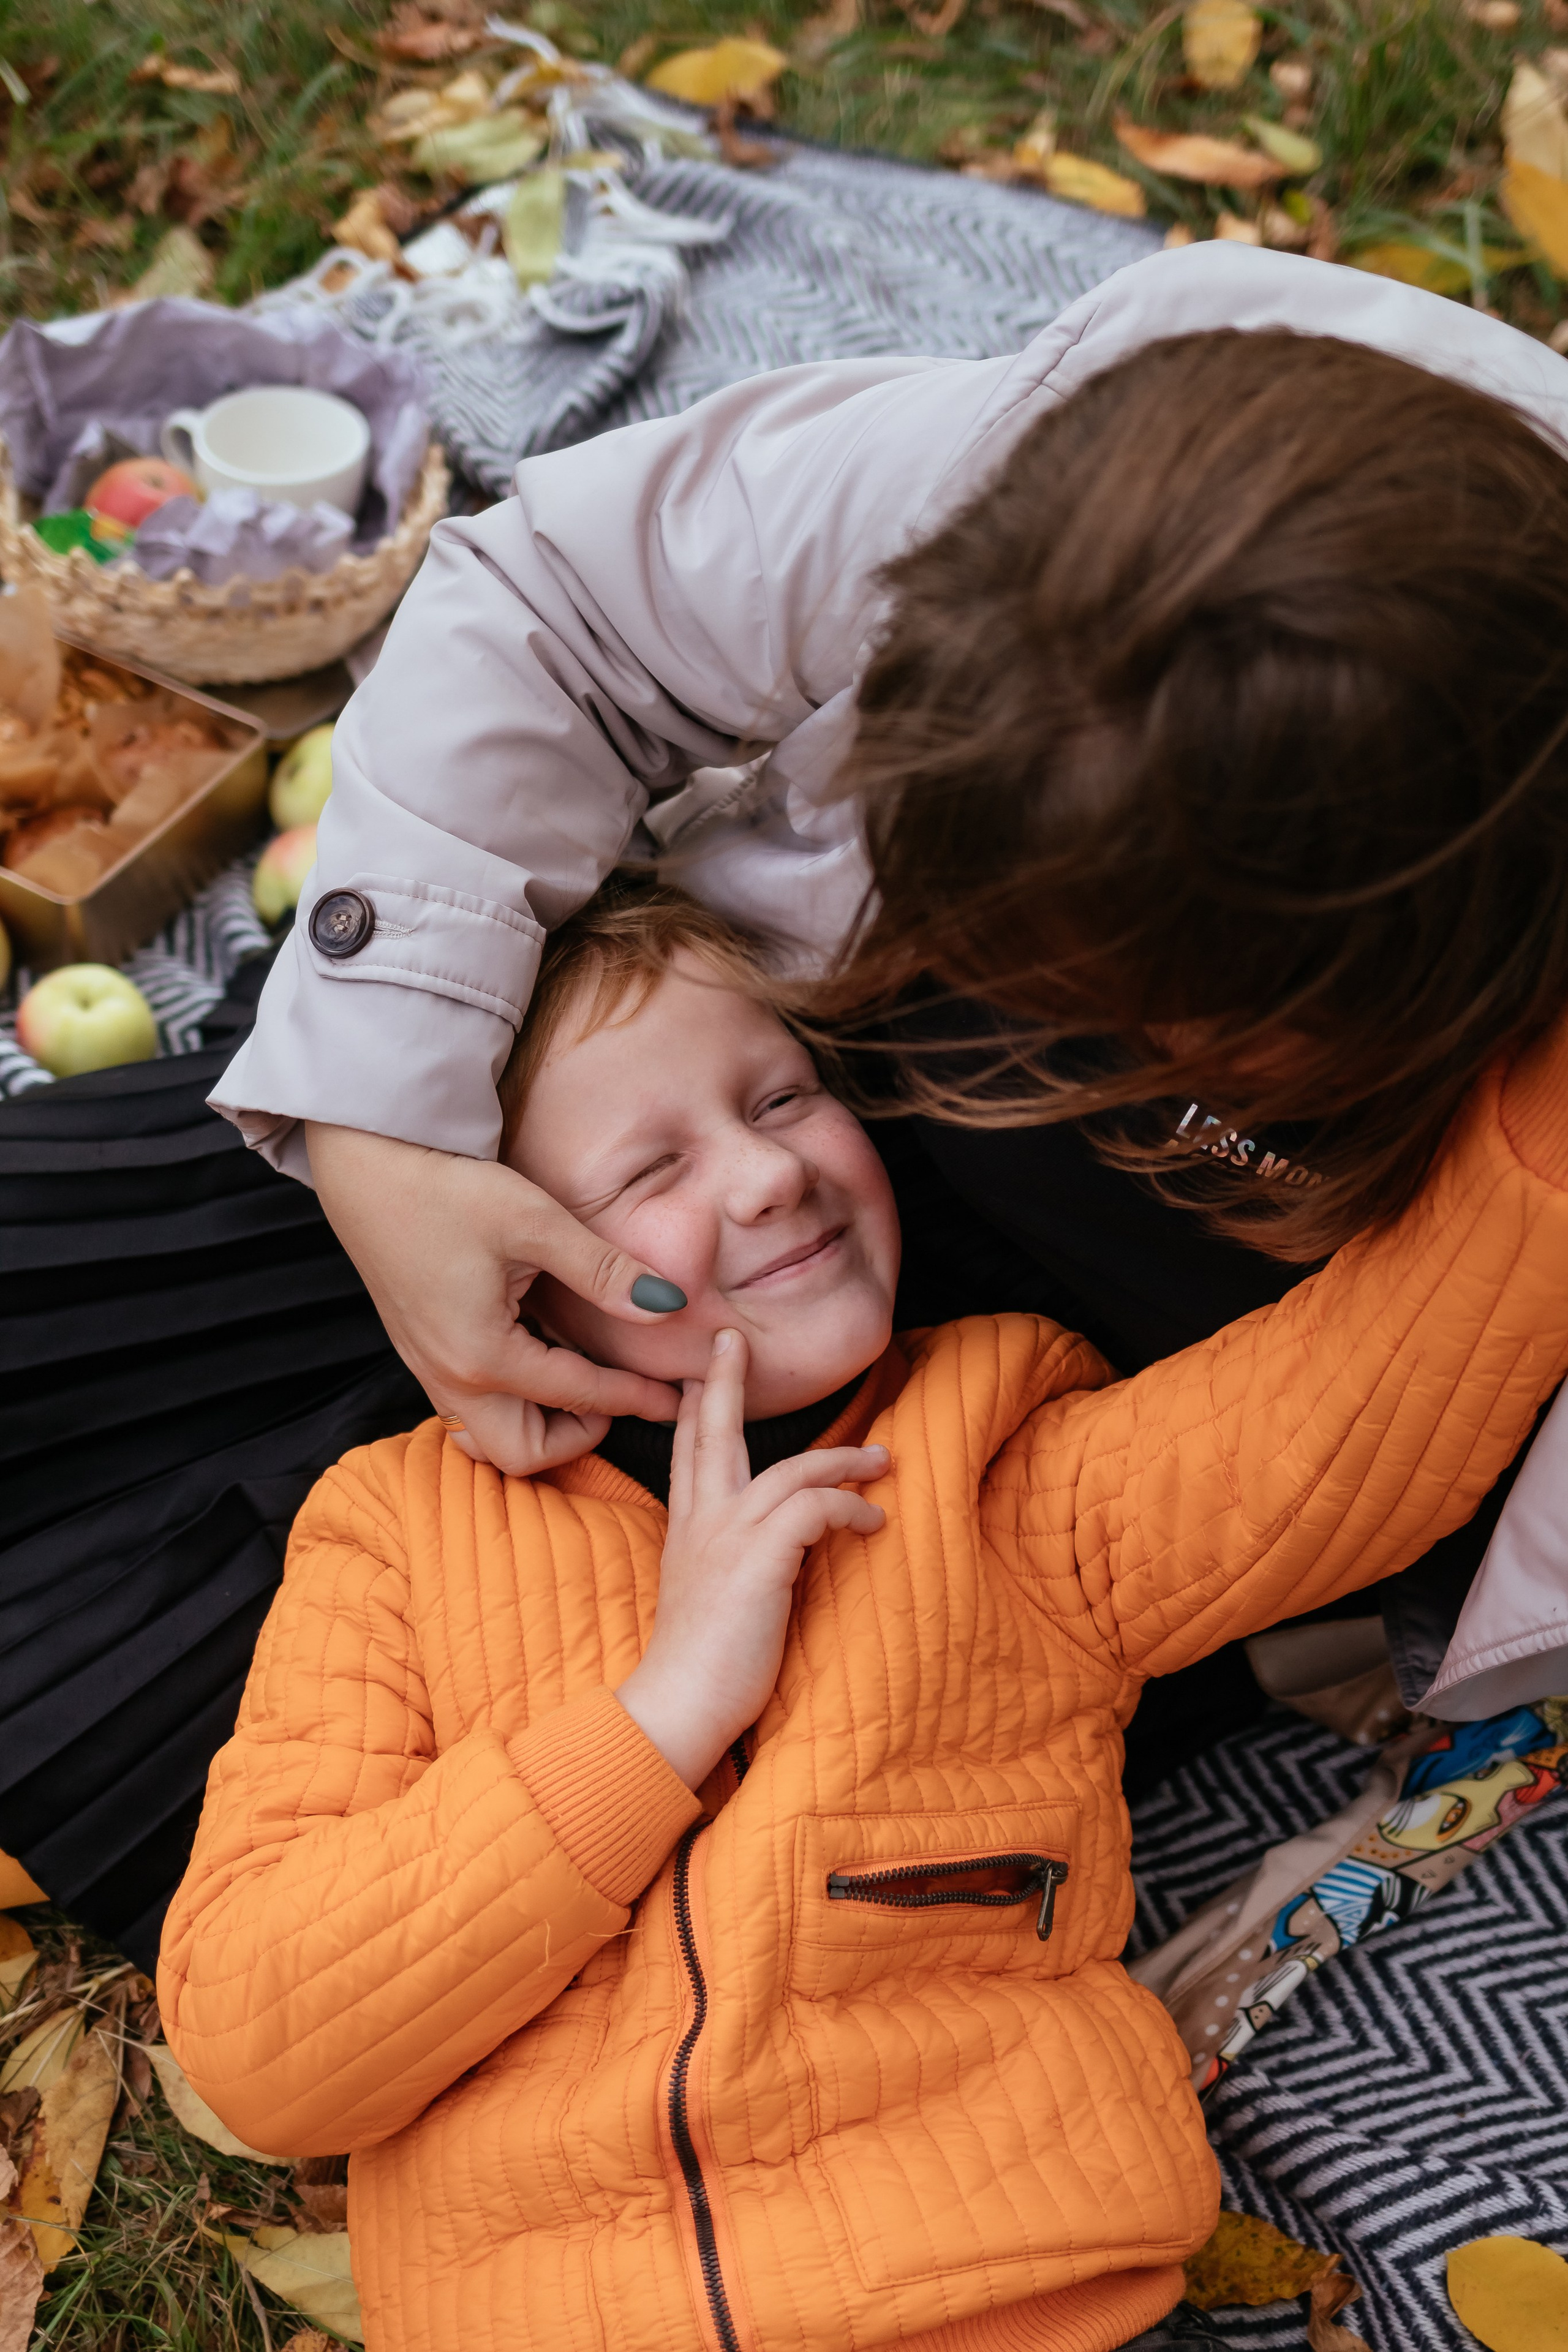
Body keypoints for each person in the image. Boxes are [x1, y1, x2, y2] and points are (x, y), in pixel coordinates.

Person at [162, 881, 1568, 2352]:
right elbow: (266, 2048)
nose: (766, 1176)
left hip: (1001, 2294)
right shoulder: (398, 1531)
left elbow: (1347, 1415)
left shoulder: (989, 1447)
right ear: (502, 1269)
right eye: (648, 1168)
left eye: (781, 1096)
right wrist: (659, 1719)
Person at [211, 244, 1568, 1730]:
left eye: (1124, 1000)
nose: (1058, 1022)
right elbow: (559, 610)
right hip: (839, 1143)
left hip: (1177, 1429)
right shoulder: (1038, 486)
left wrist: (1477, 1673)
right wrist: (379, 1129)